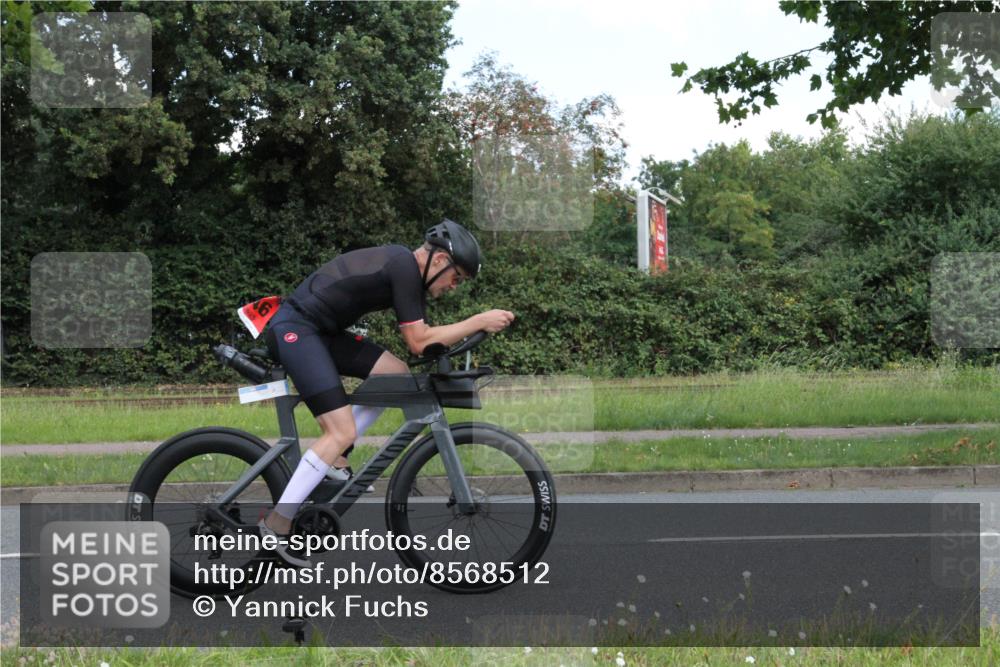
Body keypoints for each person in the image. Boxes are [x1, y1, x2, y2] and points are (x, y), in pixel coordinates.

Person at [257, 219, 514, 566]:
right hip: (297, 329)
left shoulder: (405, 270)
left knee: (394, 375)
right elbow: (419, 341)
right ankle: (277, 523)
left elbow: (416, 345)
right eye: (457, 278)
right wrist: (478, 321)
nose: (455, 287)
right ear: (439, 260)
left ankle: (335, 461)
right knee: (340, 429)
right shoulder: (404, 267)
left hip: (320, 331)